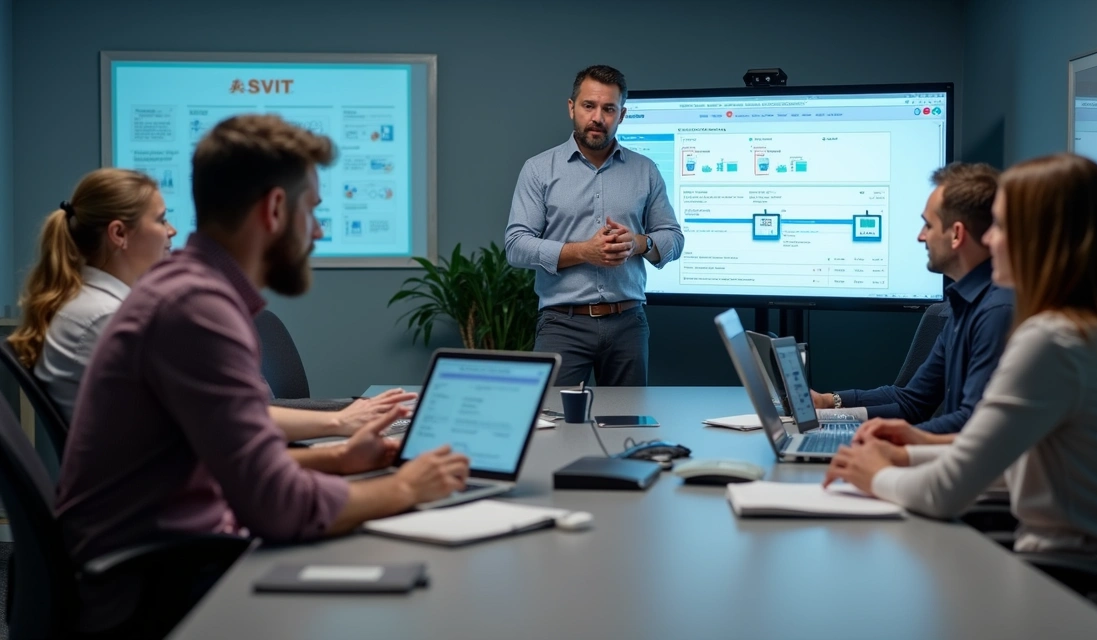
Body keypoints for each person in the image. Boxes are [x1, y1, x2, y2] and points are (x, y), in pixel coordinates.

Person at [55, 114, 470, 633]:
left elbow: (237, 466)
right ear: (275, 209)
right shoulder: (195, 308)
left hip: (172, 553)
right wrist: (406, 487)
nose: (317, 231)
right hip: (153, 586)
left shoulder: (190, 291)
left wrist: (341, 460)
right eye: (313, 211)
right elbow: (274, 505)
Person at [824, 153, 1097, 624]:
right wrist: (909, 455)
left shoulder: (1051, 340)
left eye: (999, 226)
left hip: (1072, 599)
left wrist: (872, 475)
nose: (989, 239)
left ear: (1040, 239)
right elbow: (1025, 463)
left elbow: (944, 493)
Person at [7, 168, 410, 435]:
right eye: (161, 218)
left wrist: (343, 422)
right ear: (118, 234)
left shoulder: (103, 307)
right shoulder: (106, 317)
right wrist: (341, 422)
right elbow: (222, 420)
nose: (172, 230)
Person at [505, 64, 684, 386]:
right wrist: (583, 251)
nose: (598, 117)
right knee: (552, 423)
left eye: (609, 108)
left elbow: (673, 238)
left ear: (622, 114)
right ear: (572, 107)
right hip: (562, 323)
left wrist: (638, 244)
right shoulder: (538, 170)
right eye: (589, 106)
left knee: (628, 425)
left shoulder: (645, 170)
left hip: (628, 322)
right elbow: (516, 246)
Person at [810, 162, 1013, 434]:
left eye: (928, 225)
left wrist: (899, 444)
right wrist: (830, 405)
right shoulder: (964, 306)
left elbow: (972, 424)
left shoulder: (997, 312)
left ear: (956, 234)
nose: (921, 236)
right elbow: (912, 401)